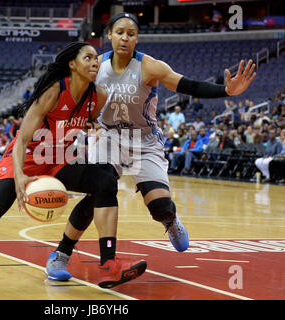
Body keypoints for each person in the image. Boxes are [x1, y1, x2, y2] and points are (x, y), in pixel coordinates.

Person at [0, 42, 147, 292]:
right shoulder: (54, 91)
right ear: (72, 64)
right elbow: (21, 139)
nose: (95, 62)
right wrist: (20, 176)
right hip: (24, 158)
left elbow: (89, 120)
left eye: (96, 58)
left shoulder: (98, 96)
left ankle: (108, 264)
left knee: (105, 180)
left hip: (56, 160)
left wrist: (96, 128)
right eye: (87, 58)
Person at [47, 12, 257, 281]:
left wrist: (225, 91)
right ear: (109, 35)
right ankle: (60, 254)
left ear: (136, 39)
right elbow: (76, 99)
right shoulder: (96, 66)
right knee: (96, 194)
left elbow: (188, 86)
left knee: (160, 206)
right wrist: (87, 124)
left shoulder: (149, 66)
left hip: (144, 139)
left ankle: (170, 221)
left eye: (131, 33)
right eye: (119, 32)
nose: (125, 37)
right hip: (110, 137)